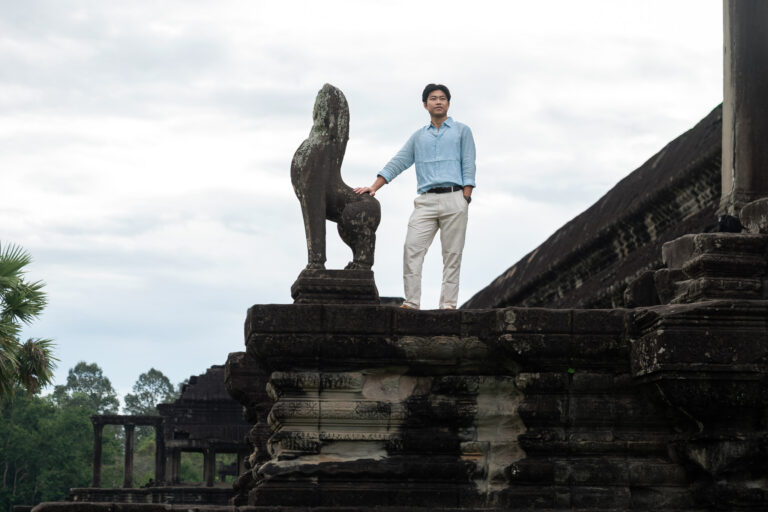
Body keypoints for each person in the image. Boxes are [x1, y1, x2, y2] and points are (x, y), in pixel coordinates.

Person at [354, 83, 476, 309]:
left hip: (454, 197)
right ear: (425, 104)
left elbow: (469, 164)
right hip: (425, 201)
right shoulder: (419, 137)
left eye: (442, 98)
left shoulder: (462, 131)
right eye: (433, 98)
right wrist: (374, 187)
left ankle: (448, 305)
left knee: (452, 254)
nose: (438, 101)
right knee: (412, 249)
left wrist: (465, 197)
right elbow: (399, 161)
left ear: (448, 103)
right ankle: (411, 302)